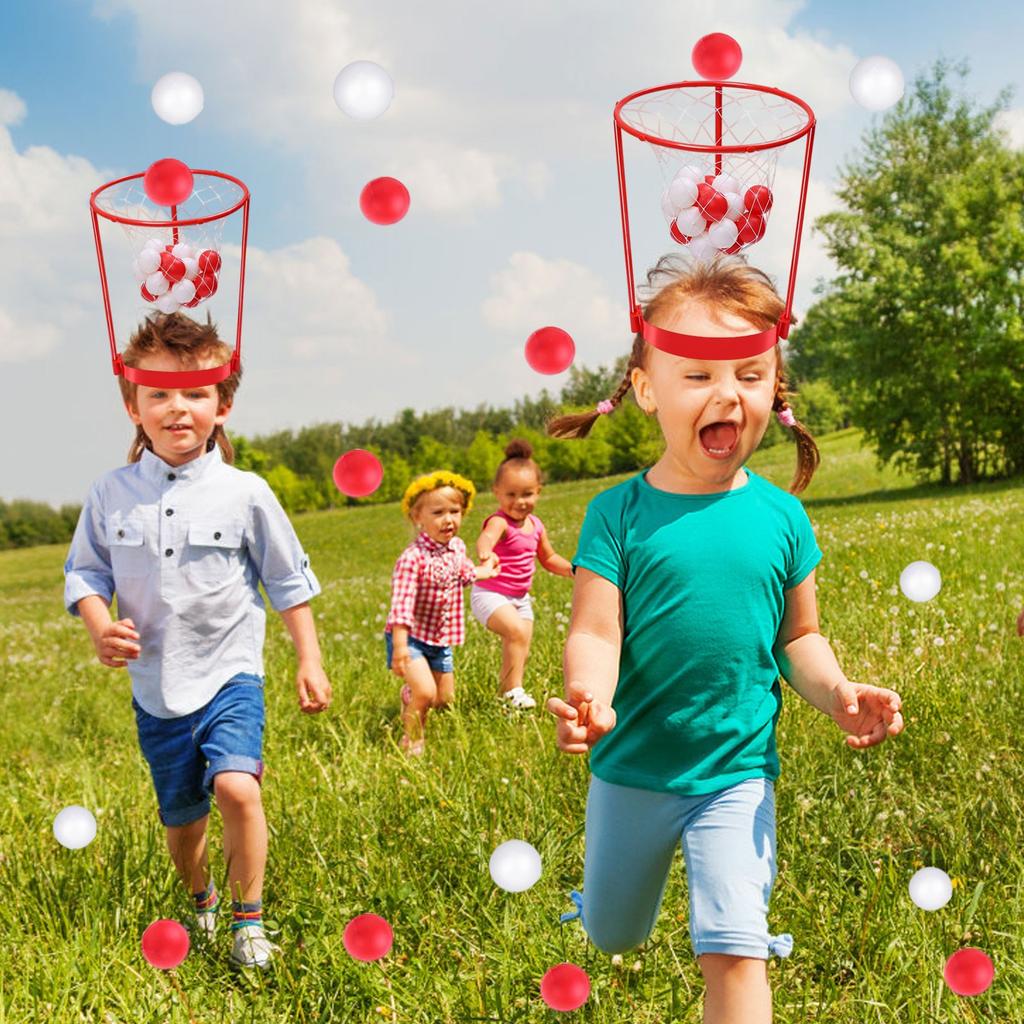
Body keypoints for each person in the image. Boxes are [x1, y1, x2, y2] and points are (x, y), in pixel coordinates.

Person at [545, 257, 904, 1024]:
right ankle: (601, 906)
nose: (726, 394)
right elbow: (595, 630)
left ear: (774, 389)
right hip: (631, 768)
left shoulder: (782, 519)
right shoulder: (617, 516)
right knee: (615, 929)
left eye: (748, 373)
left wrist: (838, 692)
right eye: (698, 375)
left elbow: (798, 637)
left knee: (734, 949)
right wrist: (590, 697)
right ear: (646, 391)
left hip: (736, 773)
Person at [63, 312, 332, 969]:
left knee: (239, 789)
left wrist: (309, 658)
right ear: (133, 404)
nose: (176, 407)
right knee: (183, 826)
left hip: (230, 674)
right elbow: (85, 573)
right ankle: (203, 897)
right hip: (157, 689)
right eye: (157, 393)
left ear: (224, 403)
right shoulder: (110, 493)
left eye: (194, 392)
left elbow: (287, 581)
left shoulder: (246, 493)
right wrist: (102, 626)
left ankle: (249, 922)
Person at [385, 470, 500, 754]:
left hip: (440, 637)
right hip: (410, 638)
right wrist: (399, 646)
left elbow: (461, 575)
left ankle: (409, 696)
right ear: (417, 517)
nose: (448, 519)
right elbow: (401, 605)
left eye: (455, 511)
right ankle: (413, 739)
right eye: (438, 512)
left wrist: (485, 571)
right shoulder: (412, 559)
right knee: (426, 693)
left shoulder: (457, 547)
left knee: (443, 699)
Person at [472, 439, 573, 709]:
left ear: (538, 491)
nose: (519, 502)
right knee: (516, 632)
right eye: (511, 494)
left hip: (520, 599)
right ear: (497, 492)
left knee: (520, 647)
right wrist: (486, 554)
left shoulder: (536, 526)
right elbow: (485, 539)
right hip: (490, 594)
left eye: (527, 494)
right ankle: (514, 692)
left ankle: (506, 696)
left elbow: (549, 558)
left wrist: (575, 571)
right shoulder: (499, 522)